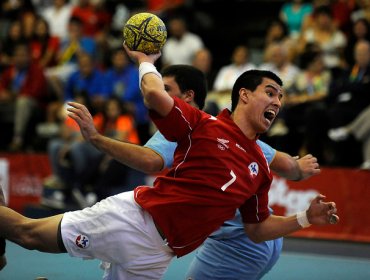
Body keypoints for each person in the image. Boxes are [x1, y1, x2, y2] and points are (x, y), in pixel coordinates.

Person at [0, 46, 339, 279]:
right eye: (270, 91)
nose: (277, 101)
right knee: (28, 234)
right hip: (135, 222)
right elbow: (154, 97)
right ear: (244, 95)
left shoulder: (259, 168)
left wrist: (305, 217)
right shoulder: (203, 124)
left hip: (159, 255)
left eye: (280, 96)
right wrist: (147, 61)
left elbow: (257, 228)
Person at [89, 63, 321, 279]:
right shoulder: (240, 134)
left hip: (236, 242)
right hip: (267, 240)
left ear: (188, 96)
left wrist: (98, 141)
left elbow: (150, 161)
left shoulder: (191, 130)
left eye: (167, 89)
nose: (160, 93)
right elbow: (288, 166)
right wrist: (300, 170)